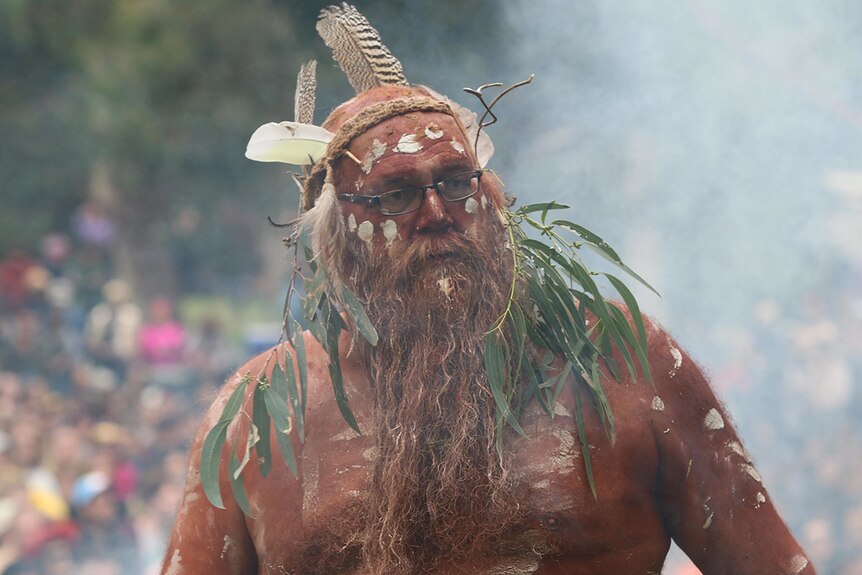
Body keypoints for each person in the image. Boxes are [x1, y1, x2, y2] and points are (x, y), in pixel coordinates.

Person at [162, 5, 814, 574]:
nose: (438, 212)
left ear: (492, 198)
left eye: (455, 182)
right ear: (335, 236)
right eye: (395, 194)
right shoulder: (260, 417)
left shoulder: (624, 365)